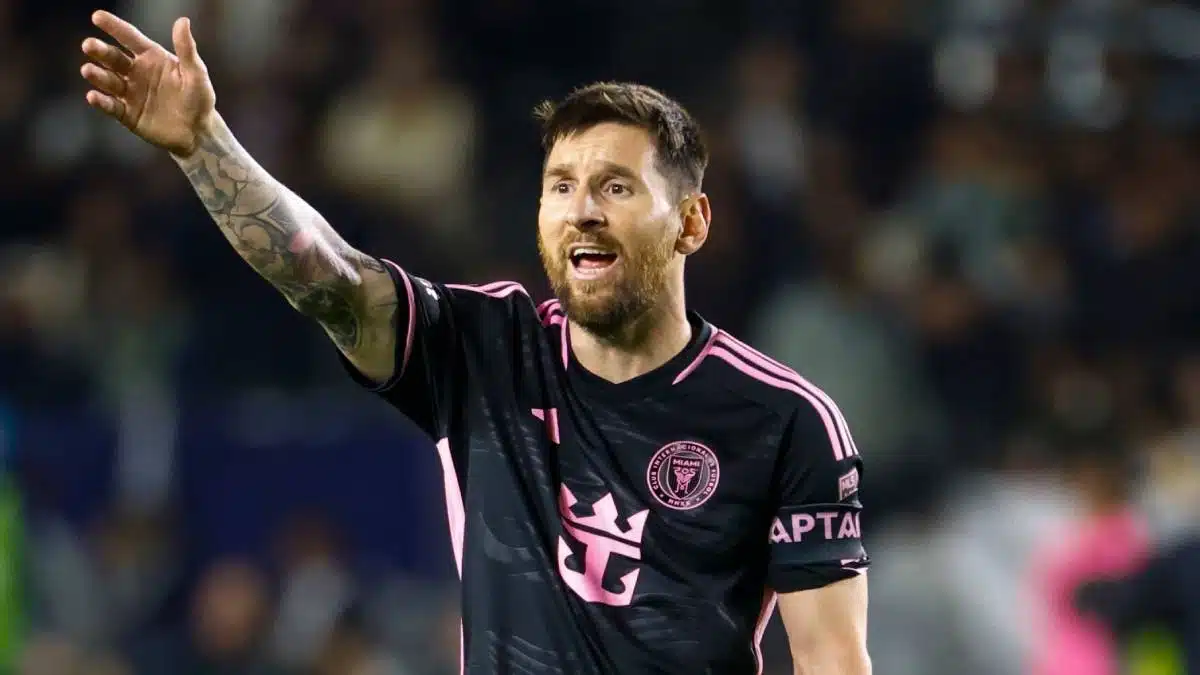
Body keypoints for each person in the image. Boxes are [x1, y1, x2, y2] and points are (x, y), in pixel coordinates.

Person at [79, 11, 871, 674]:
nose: (583, 210)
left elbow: (832, 659)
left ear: (691, 222)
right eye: (561, 186)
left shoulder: (784, 420)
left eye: (616, 186)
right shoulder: (484, 349)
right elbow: (326, 274)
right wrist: (205, 145)